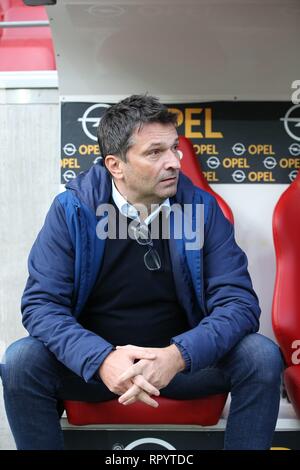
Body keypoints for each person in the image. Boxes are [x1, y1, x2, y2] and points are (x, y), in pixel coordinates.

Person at [0, 94, 283, 450]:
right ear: (115, 165)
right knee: (21, 361)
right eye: (155, 152)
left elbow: (239, 305)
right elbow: (41, 306)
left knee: (260, 356)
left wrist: (176, 356)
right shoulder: (73, 210)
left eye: (174, 149)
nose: (174, 163)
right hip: (96, 369)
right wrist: (101, 359)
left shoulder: (201, 209)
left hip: (180, 366)